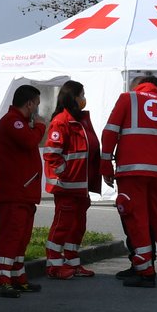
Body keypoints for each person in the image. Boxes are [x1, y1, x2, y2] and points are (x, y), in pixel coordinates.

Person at [102, 72, 157, 287]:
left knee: (137, 221)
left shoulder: (128, 99)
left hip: (132, 172)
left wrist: (105, 166)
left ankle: (145, 272)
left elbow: (109, 133)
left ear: (140, 86)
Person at [42, 80, 101, 279]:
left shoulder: (81, 120)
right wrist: (64, 173)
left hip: (80, 187)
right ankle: (54, 265)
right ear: (73, 97)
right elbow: (51, 153)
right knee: (62, 226)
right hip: (66, 186)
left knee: (78, 226)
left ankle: (72, 262)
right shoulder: (61, 121)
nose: (84, 99)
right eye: (82, 94)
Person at [0, 85, 45, 298]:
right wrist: (41, 127)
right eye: (37, 104)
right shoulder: (12, 121)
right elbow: (29, 141)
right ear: (29, 103)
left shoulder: (21, 122)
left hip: (24, 191)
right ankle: (2, 280)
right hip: (14, 190)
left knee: (22, 237)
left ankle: (17, 276)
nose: (38, 110)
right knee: (11, 236)